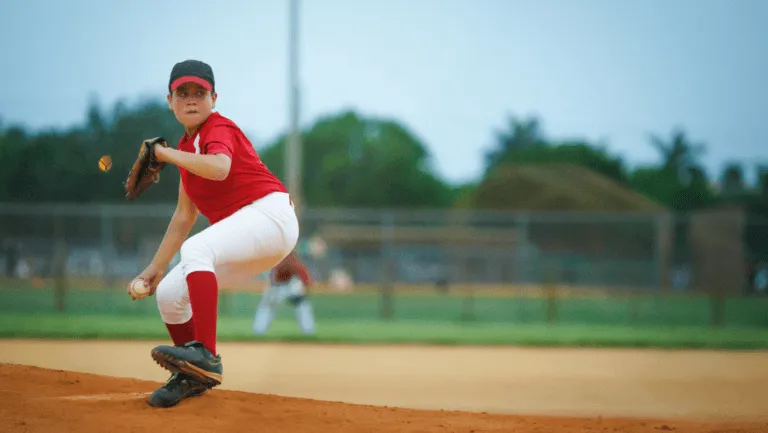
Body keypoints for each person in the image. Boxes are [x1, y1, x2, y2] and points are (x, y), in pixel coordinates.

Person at [129, 59, 299, 408]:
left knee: (196, 250)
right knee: (170, 295)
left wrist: (163, 153)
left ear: (214, 98)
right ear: (170, 100)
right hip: (255, 235)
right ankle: (193, 375)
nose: (191, 99)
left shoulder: (217, 128)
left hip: (270, 215)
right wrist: (154, 269)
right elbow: (184, 215)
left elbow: (220, 168)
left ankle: (205, 354)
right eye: (183, 93)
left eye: (199, 93)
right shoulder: (186, 147)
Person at [253, 251, 316, 336]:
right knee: (266, 305)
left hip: (290, 284)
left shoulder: (287, 255)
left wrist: (306, 284)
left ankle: (308, 331)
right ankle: (258, 331)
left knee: (302, 305)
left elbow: (300, 270)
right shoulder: (277, 255)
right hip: (278, 285)